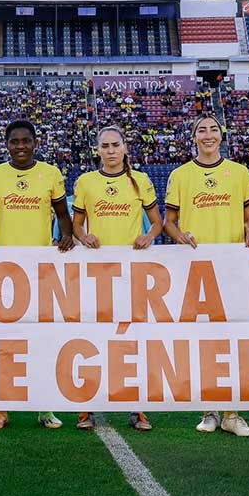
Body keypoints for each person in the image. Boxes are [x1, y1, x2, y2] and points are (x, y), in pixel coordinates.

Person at [0, 119, 75, 431]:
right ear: (7, 144)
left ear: (35, 142)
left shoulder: (51, 173)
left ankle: (44, 407)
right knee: (4, 341)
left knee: (41, 340)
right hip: (5, 269)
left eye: (25, 141)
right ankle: (0, 408)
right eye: (14, 141)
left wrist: (67, 235)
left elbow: (62, 214)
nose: (20, 147)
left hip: (42, 270)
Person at [162, 114, 249, 438]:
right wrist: (181, 237)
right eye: (201, 130)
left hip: (232, 268)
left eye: (213, 130)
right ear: (194, 137)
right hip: (196, 269)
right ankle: (209, 409)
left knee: (233, 339)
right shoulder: (180, 175)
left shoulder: (239, 173)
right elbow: (169, 222)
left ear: (221, 135)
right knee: (203, 341)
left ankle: (233, 413)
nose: (208, 135)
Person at [72, 126, 162, 432]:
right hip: (96, 273)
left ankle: (138, 409)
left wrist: (148, 236)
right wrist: (84, 236)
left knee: (133, 340)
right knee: (93, 340)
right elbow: (76, 225)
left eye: (115, 145)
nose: (110, 150)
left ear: (125, 147)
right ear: (97, 149)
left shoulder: (141, 181)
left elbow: (158, 222)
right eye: (105, 145)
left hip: (132, 273)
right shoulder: (86, 181)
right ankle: (87, 408)